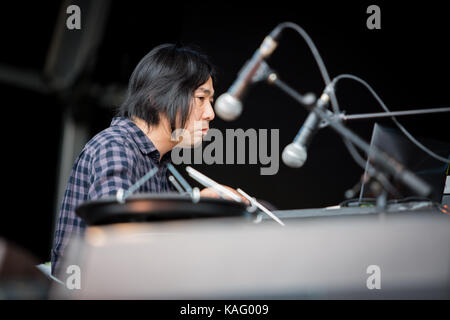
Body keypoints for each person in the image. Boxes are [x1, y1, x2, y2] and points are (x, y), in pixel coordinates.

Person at [51, 43, 247, 277]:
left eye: (211, 101)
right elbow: (117, 243)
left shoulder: (160, 165)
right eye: (201, 98)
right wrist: (196, 208)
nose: (210, 113)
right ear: (157, 98)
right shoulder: (115, 146)